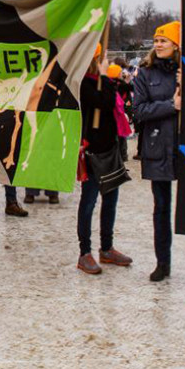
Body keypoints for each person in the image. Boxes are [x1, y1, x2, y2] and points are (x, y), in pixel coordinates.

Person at [131, 21, 185, 286]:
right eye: (156, 40)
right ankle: (162, 264)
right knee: (161, 209)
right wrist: (172, 104)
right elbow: (139, 111)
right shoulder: (145, 73)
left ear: (177, 45)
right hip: (158, 147)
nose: (157, 45)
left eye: (163, 40)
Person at [77, 46, 134, 274]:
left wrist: (108, 80)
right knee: (89, 202)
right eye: (102, 58)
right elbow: (105, 102)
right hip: (92, 152)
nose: (106, 61)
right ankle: (84, 252)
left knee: (110, 199)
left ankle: (107, 248)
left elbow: (115, 102)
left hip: (109, 150)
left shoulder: (104, 82)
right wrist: (103, 77)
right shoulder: (84, 83)